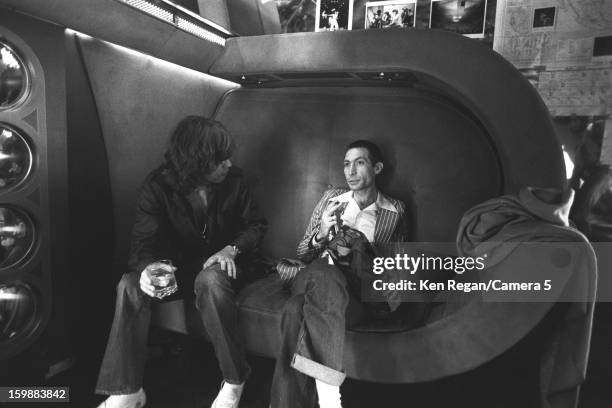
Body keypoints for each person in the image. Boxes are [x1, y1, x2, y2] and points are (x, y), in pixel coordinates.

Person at [95, 116, 267, 408]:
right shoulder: (157, 186)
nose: (228, 163)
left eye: (228, 157)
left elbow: (256, 227)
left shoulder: (236, 181)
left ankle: (234, 380)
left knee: (210, 279)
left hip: (225, 268)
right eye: (220, 159)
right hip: (179, 269)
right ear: (198, 161)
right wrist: (147, 268)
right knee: (130, 284)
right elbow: (143, 242)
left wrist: (231, 249)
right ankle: (128, 391)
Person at [270, 140, 410, 408]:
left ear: (377, 167)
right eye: (346, 164)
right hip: (310, 278)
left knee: (295, 310)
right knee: (325, 271)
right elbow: (302, 254)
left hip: (352, 295)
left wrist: (360, 251)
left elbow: (394, 266)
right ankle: (330, 399)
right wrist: (322, 233)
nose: (350, 171)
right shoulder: (331, 198)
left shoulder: (394, 210)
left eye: (359, 162)